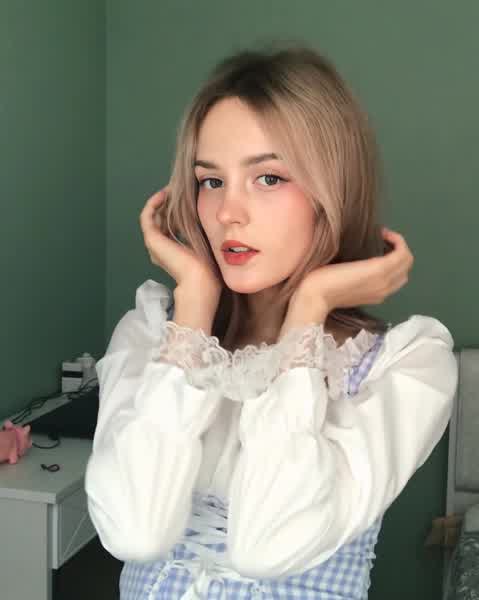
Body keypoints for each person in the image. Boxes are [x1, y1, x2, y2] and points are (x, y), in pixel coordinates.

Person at [84, 43, 459, 600]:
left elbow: (270, 547)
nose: (228, 213)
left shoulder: (406, 365)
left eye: (268, 178)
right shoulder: (150, 336)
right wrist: (194, 308)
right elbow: (134, 533)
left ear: (334, 188)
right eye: (211, 181)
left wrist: (308, 310)